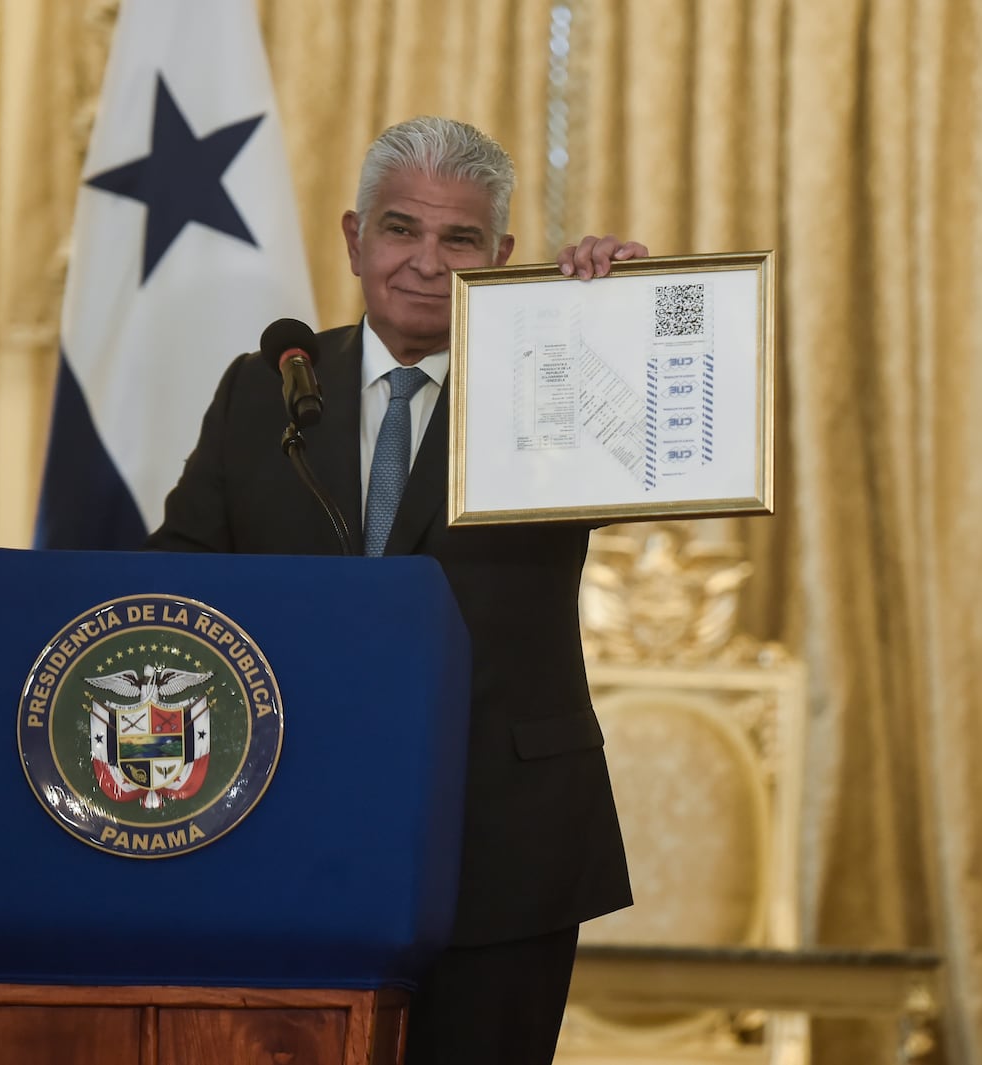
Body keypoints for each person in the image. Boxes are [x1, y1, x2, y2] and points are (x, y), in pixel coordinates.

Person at [149, 116, 646, 1064]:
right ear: (353, 238)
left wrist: (618, 316)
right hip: (277, 820)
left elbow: (675, 449)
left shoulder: (562, 379)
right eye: (399, 229)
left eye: (459, 238)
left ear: (499, 255)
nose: (424, 261)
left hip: (503, 839)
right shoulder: (266, 387)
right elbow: (179, 574)